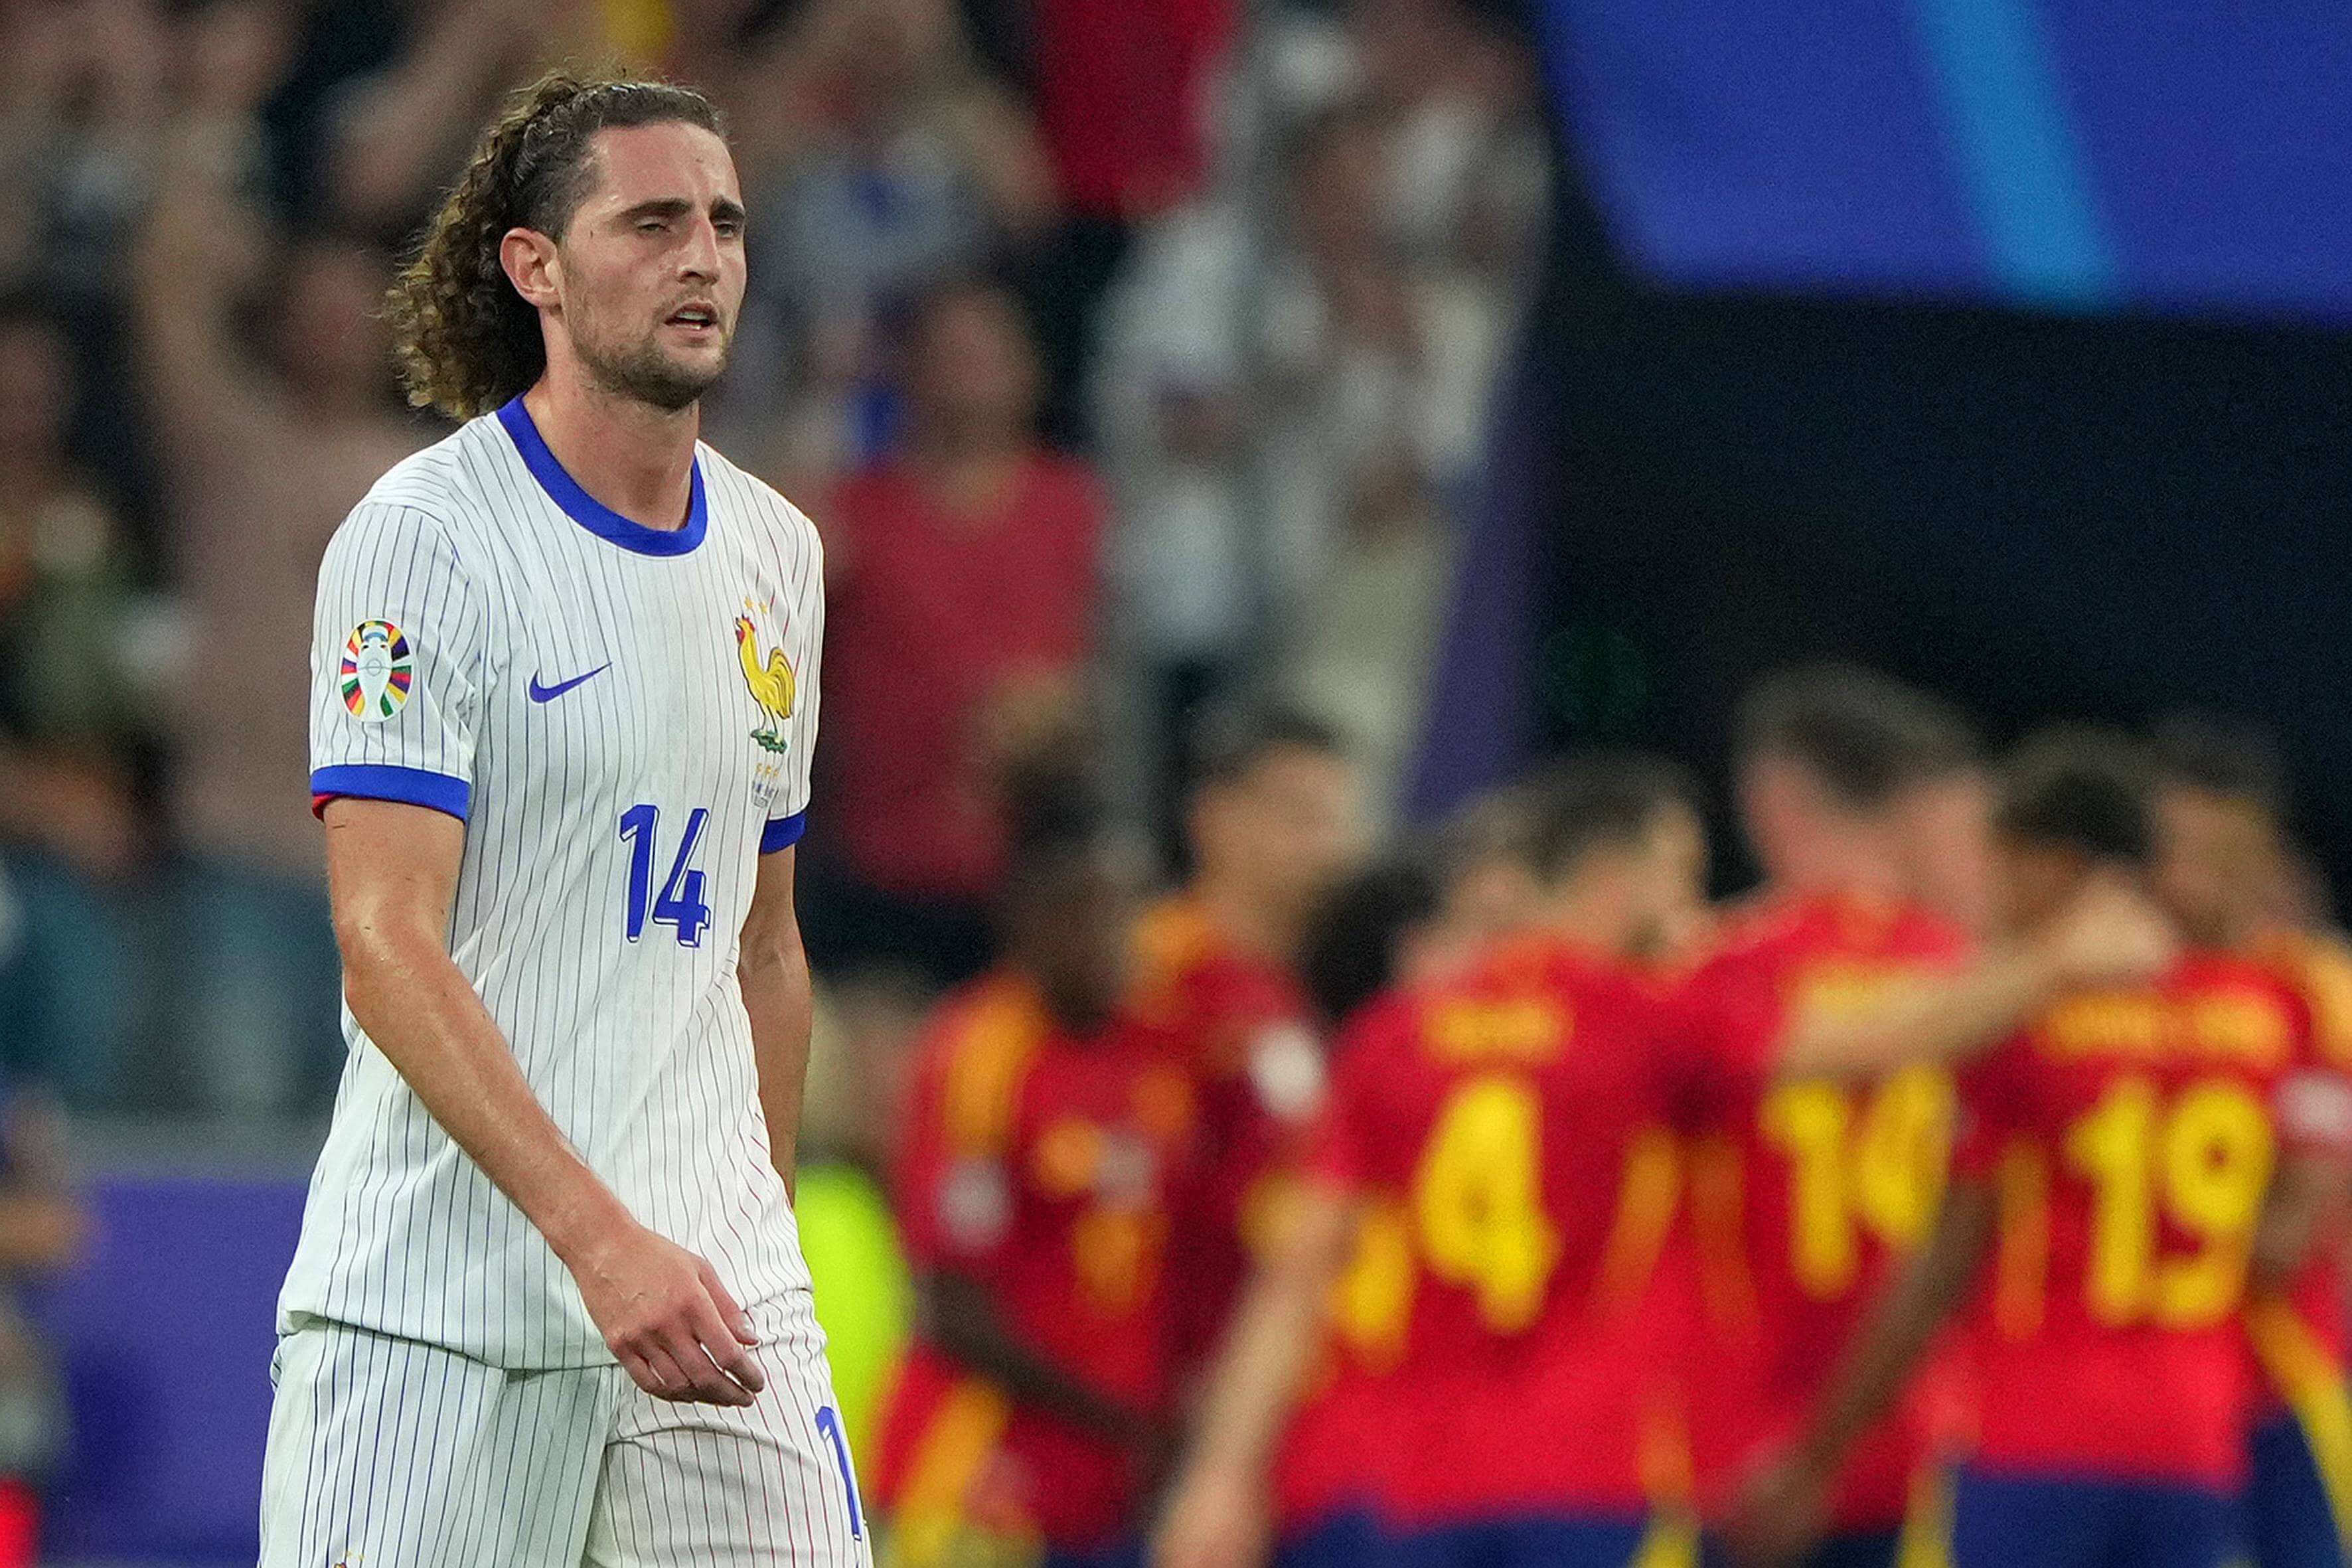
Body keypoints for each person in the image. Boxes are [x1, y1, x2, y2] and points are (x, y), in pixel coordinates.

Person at [258, 72, 863, 1566]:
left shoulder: (778, 554)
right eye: (650, 220)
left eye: (722, 222)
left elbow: (762, 945)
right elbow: (384, 941)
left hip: (711, 1313)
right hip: (437, 1319)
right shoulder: (424, 543)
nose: (702, 256)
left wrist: (748, 1238)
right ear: (535, 265)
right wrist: (599, 1238)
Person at [1734, 729, 2352, 1568]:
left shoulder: (2026, 1017)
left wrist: (1818, 1454)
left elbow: (1941, 1264)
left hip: (2031, 1433)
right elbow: (2286, 1238)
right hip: (2198, 1433)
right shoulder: (2285, 1008)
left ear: (2053, 862)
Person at [1153, 751, 1710, 1568]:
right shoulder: (1625, 1038)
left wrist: (1221, 1471)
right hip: (1514, 1476)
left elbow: (1291, 1278)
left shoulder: (1386, 1059)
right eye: (1481, 930)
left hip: (1384, 1476)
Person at [1676, 666, 2174, 1567]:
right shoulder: (1997, 984)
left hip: (1721, 1437)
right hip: (1939, 1439)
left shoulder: (1710, 973)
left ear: (1769, 801)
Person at [870, 803, 1193, 1568]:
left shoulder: (1152, 1047)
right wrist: (1118, 1415)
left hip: (1107, 1484)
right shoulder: (981, 1057)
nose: (1115, 944)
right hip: (983, 1473)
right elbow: (952, 1305)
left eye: (1127, 920)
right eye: (1090, 920)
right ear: (1032, 926)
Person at [808, 278, 1105, 992]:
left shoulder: (1073, 509)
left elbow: (1110, 683)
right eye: (948, 354)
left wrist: (1057, 720)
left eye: (988, 353)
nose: (969, 373)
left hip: (1029, 886)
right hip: (879, 872)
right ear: (908, 372)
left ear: (1030, 368)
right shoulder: (843, 517)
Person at [2151, 712, 2352, 1567]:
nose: (2196, 880)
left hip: (2279, 1377)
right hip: (2151, 1394)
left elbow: (2296, 1219)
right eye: (2178, 850)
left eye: (2223, 855)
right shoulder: (2100, 991)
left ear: (2265, 860)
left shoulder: (2311, 995)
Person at [1130, 708, 1363, 1381]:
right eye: (1303, 817)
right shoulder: (1155, 977)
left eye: (1338, 820)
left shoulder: (1311, 996)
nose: (1330, 848)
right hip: (1148, 1385)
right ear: (1215, 819)